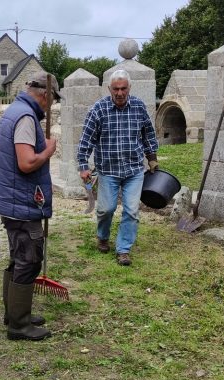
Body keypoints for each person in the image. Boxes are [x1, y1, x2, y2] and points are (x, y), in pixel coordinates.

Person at [0, 71, 60, 341]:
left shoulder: (15, 110)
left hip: (13, 200)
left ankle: (14, 314)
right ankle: (19, 326)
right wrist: (48, 151)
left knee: (18, 258)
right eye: (53, 100)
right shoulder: (25, 117)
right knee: (29, 261)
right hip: (21, 202)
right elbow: (26, 162)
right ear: (45, 94)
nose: (51, 105)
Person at [76, 69, 159, 266]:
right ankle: (103, 237)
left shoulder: (138, 106)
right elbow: (86, 140)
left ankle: (123, 249)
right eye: (116, 89)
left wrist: (152, 158)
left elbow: (148, 134)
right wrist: (83, 166)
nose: (120, 93)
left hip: (134, 169)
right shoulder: (98, 109)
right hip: (108, 170)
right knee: (106, 209)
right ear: (109, 89)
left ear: (129, 88)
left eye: (123, 88)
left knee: (131, 211)